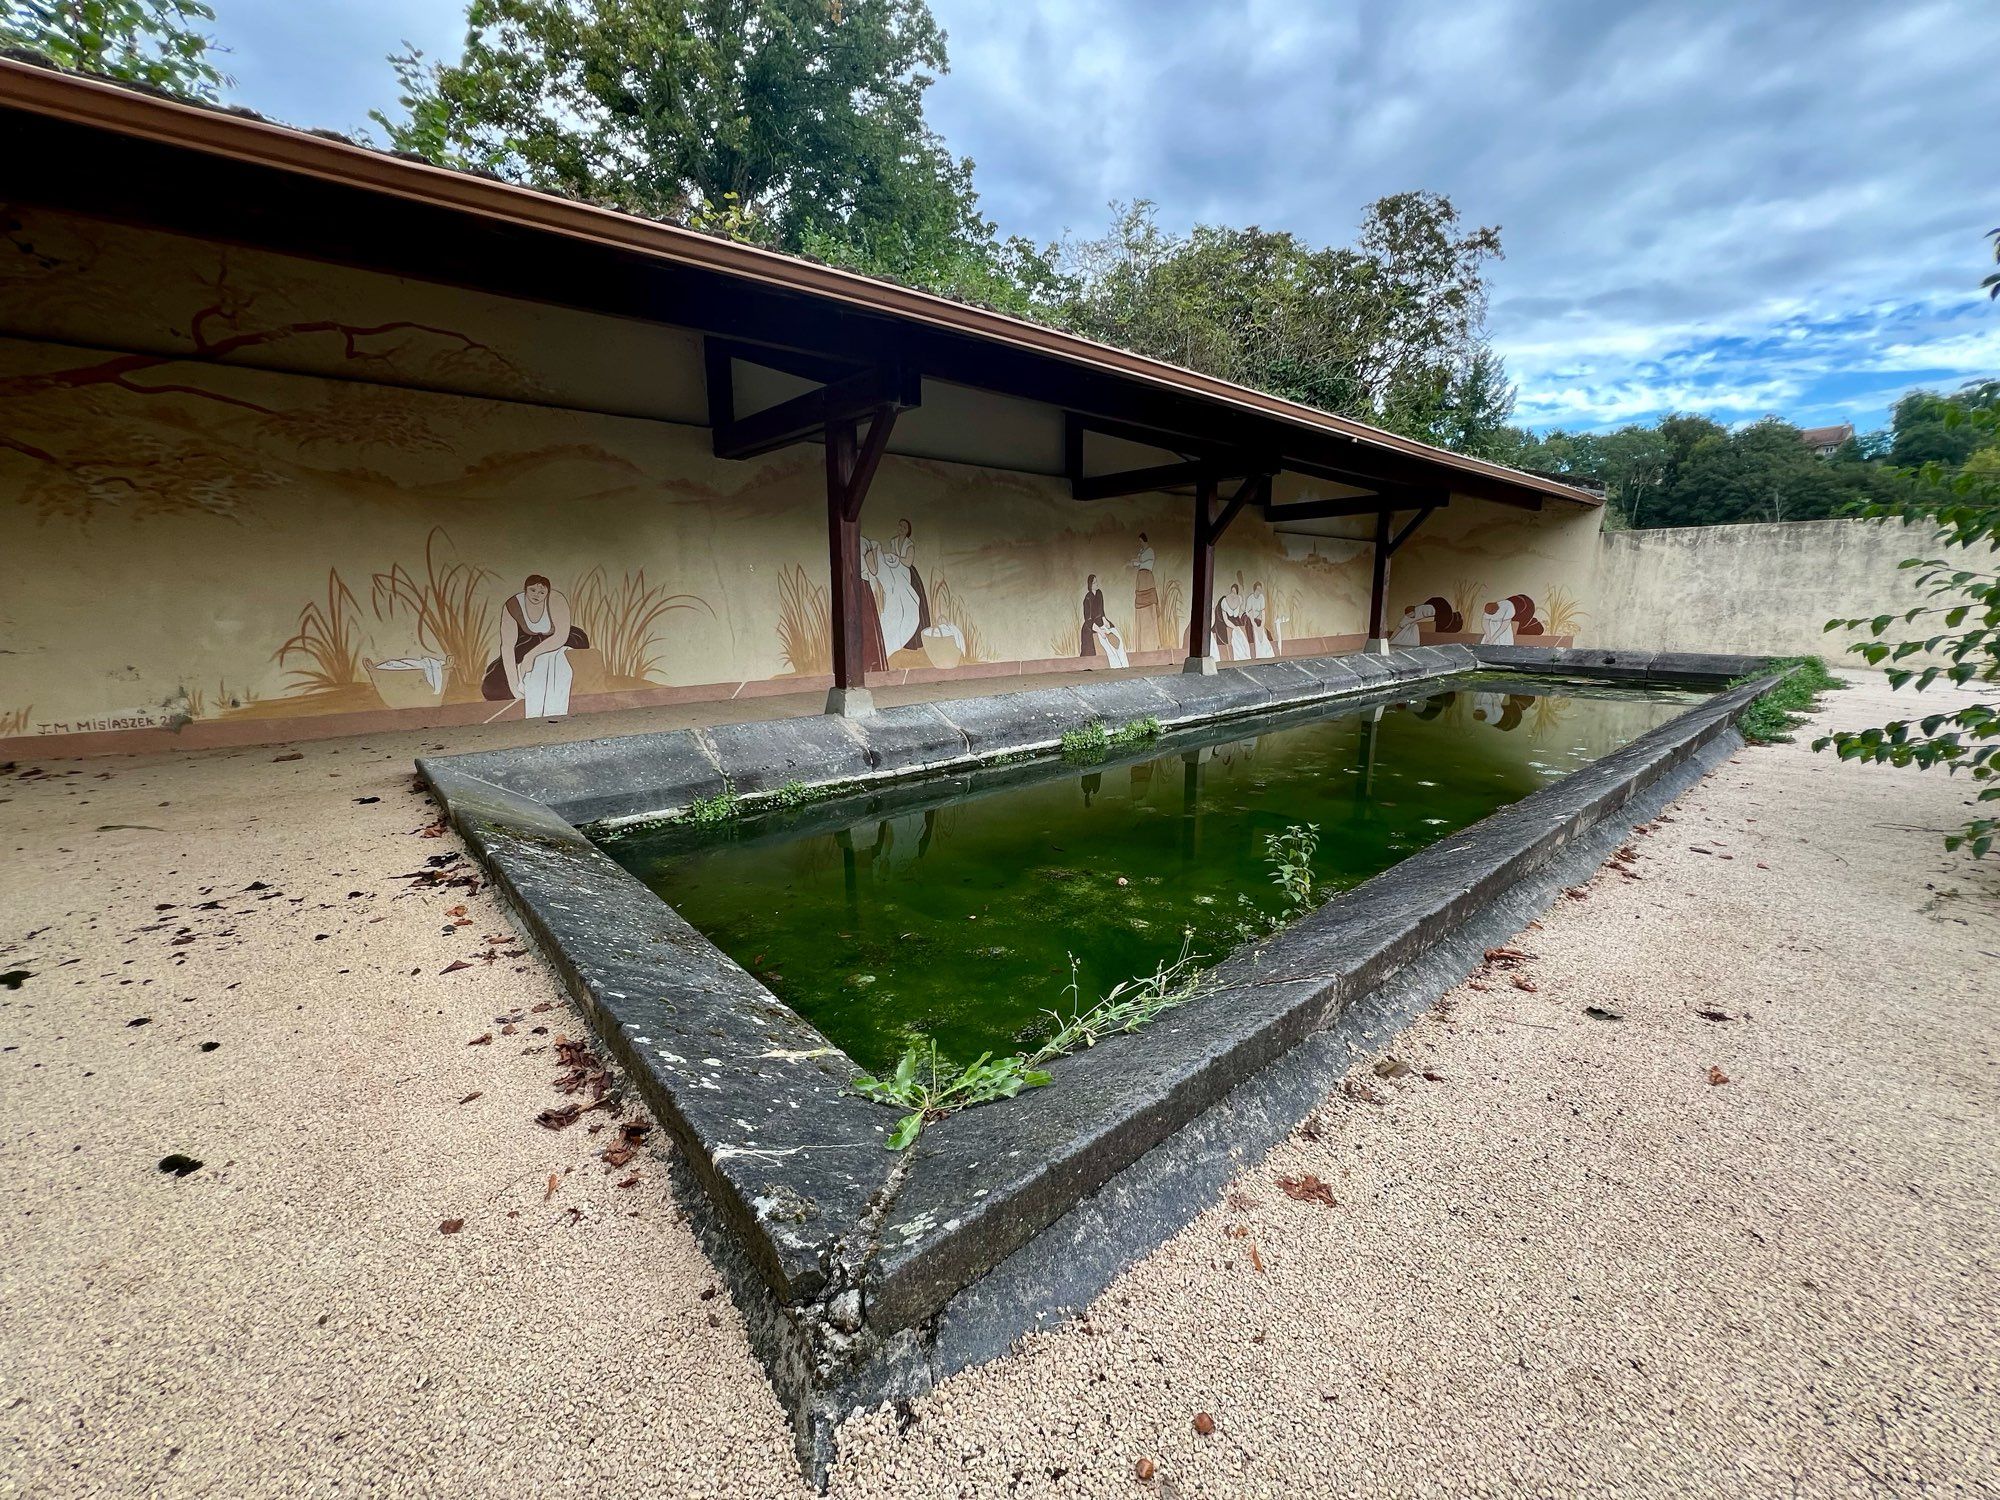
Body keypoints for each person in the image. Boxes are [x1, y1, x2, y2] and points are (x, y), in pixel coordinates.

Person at [481, 574, 582, 716]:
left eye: (542, 592)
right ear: (525, 589)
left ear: (547, 593)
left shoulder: (556, 600)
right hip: (527, 642)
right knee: (493, 683)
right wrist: (514, 687)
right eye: (532, 590)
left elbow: (561, 635)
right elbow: (507, 646)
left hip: (558, 639)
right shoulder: (513, 605)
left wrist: (531, 656)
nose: (537, 595)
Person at [1127, 533, 1160, 653]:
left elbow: (1141, 562)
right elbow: (1137, 563)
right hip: (1141, 578)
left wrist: (1135, 561)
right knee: (1140, 606)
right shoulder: (1142, 551)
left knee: (1150, 605)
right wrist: (1133, 562)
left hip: (1147, 578)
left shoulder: (1149, 551)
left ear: (1144, 540)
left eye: (1141, 541)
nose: (1140, 543)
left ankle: (1153, 642)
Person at [1080, 574, 1108, 657]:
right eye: (1095, 582)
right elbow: (1088, 620)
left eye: (1096, 582)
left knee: (1111, 629)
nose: (1097, 584)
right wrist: (1099, 631)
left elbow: (1101, 610)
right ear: (1090, 585)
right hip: (1090, 625)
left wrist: (1104, 620)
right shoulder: (1087, 598)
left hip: (1100, 620)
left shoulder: (1099, 593)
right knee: (1089, 643)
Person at [1247, 579, 1275, 658]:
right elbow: (1250, 613)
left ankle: (1267, 652)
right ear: (1255, 589)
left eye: (1260, 589)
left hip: (1258, 618)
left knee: (1264, 632)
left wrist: (1262, 625)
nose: (1259, 591)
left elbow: (1263, 612)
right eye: (1258, 589)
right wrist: (1255, 626)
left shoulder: (1261, 597)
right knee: (1255, 632)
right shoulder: (1250, 598)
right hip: (1249, 618)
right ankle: (1258, 652)